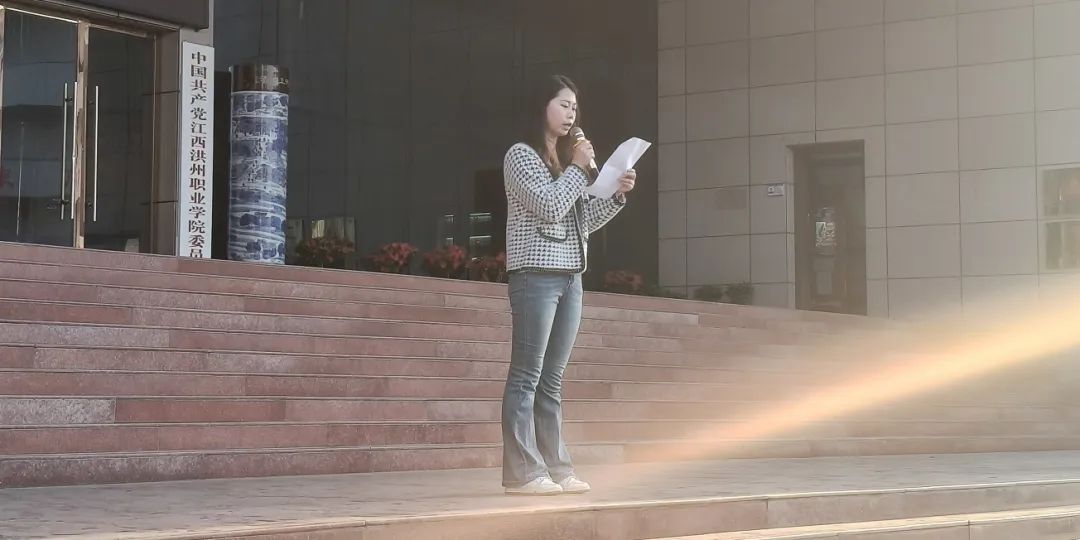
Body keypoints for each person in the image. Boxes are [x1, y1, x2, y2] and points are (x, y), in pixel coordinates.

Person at [500, 75, 636, 496]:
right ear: (541, 106)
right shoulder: (521, 156)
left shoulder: (563, 163)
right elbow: (549, 206)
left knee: (552, 380)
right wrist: (578, 168)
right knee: (527, 375)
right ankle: (522, 473)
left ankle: (557, 469)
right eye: (563, 104)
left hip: (570, 277)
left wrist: (614, 195)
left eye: (574, 107)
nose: (571, 113)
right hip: (535, 275)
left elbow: (581, 222)